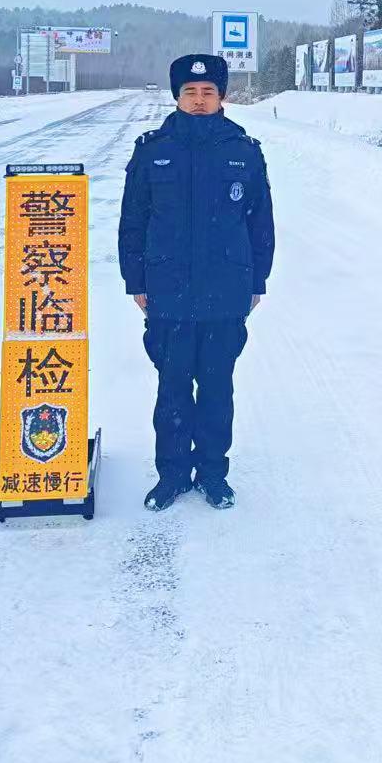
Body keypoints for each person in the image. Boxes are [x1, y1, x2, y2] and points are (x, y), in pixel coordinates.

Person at [118, 54, 274, 511]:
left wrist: (257, 281)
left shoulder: (244, 151)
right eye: (190, 92)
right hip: (167, 291)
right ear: (177, 96)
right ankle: (171, 476)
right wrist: (135, 281)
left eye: (208, 92)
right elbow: (133, 221)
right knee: (171, 389)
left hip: (226, 292)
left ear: (222, 96)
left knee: (217, 389)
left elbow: (260, 222)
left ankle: (212, 475)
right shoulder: (152, 151)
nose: (200, 100)